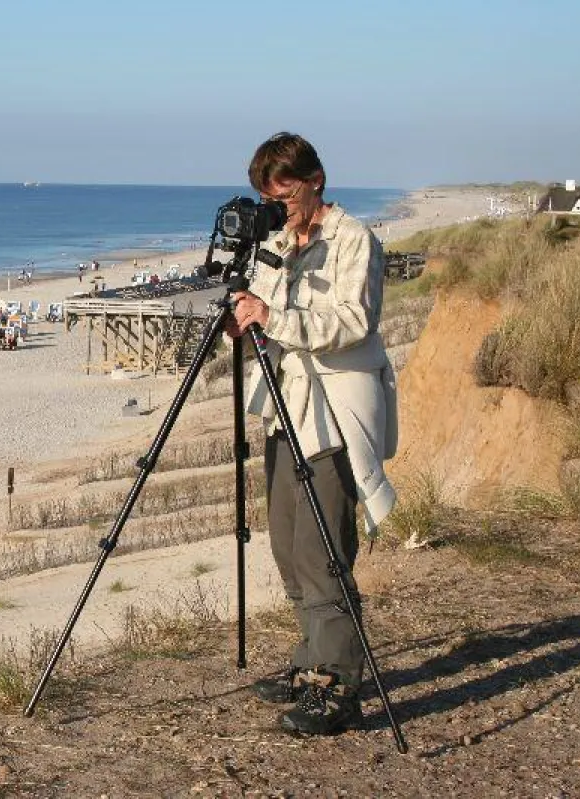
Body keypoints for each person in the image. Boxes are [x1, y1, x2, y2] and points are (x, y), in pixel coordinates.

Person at [227, 132, 396, 737]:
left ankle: (338, 686)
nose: (278, 207)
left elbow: (354, 321)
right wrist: (246, 322)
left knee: (322, 552)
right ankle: (310, 662)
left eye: (285, 194)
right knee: (287, 547)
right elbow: (267, 319)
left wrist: (273, 318)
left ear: (314, 180)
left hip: (332, 411)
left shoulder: (353, 240)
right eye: (268, 198)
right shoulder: (276, 242)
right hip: (284, 408)